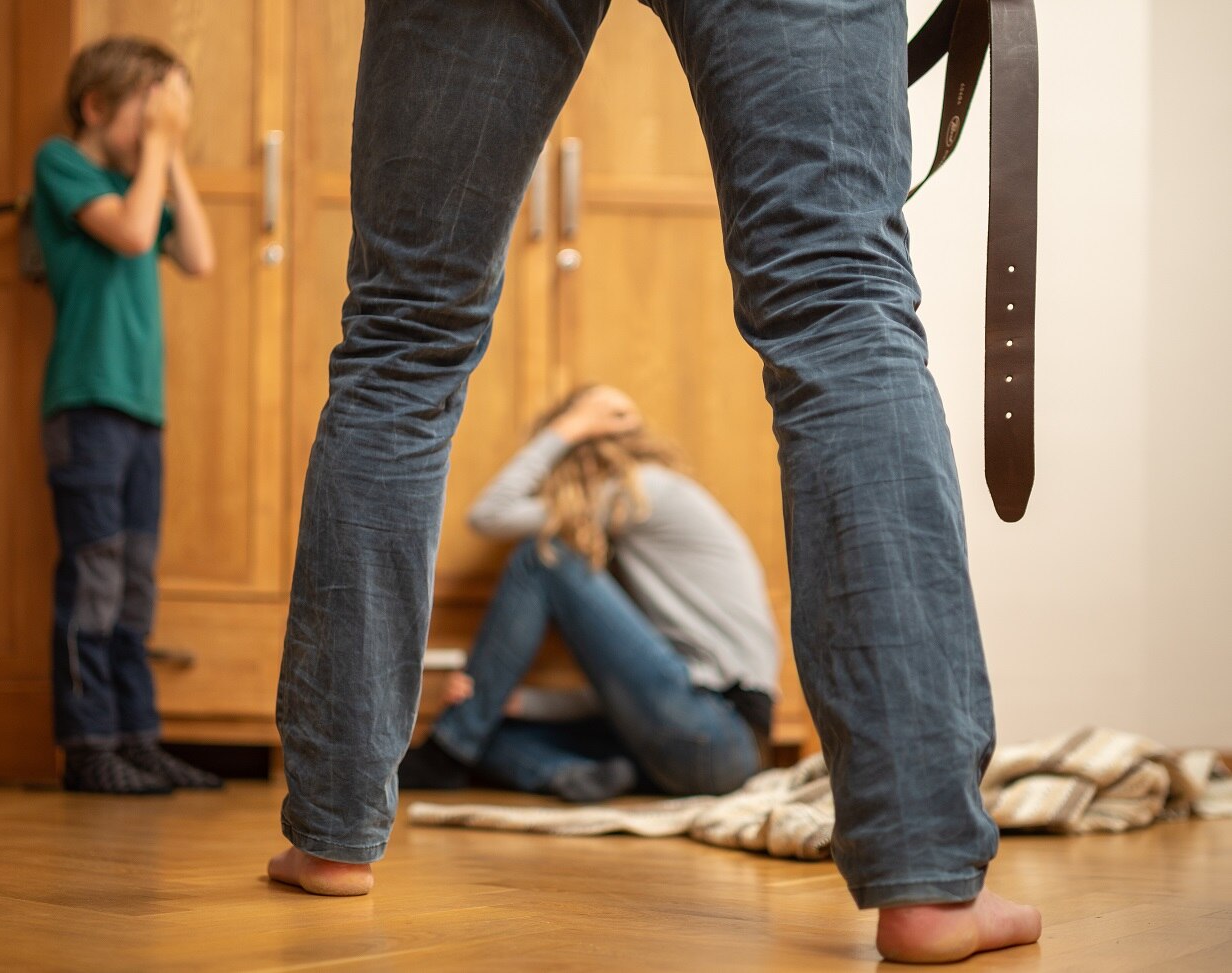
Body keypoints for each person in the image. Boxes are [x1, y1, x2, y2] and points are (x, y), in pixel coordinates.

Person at [267, 0, 1041, 961]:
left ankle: (332, 829)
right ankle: (928, 874)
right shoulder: (638, 495)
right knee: (838, 305)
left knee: (403, 341)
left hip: (707, 714)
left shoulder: (642, 494)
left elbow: (509, 514)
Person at [398, 385, 779, 803]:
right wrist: (522, 703)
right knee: (496, 734)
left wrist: (567, 426)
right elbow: (626, 694)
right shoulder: (635, 548)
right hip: (708, 752)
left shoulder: (644, 491)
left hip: (718, 729)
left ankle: (448, 749)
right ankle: (570, 775)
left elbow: (491, 515)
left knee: (543, 555)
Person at [31, 36, 220, 795]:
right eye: (151, 110)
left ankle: (137, 738)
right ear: (96, 106)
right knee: (95, 575)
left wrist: (167, 155)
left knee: (135, 580)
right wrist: (160, 152)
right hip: (87, 404)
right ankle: (89, 742)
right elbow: (137, 233)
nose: (162, 126)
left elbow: (199, 255)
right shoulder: (63, 164)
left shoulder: (140, 179)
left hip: (143, 411)